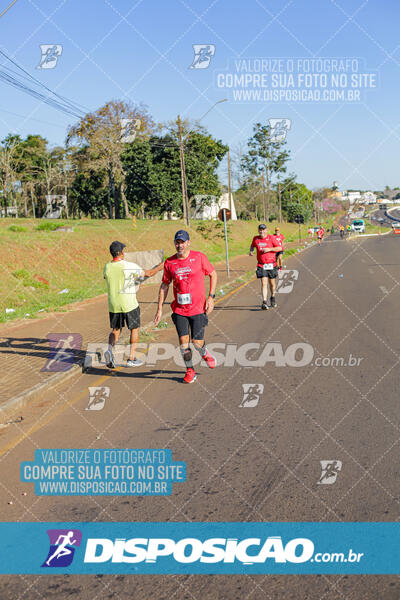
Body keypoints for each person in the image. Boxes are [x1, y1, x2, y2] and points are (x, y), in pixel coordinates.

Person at [154, 230, 217, 384]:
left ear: (188, 242)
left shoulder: (199, 257)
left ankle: (204, 351)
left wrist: (211, 297)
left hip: (198, 309)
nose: (179, 245)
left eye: (182, 242)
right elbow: (164, 285)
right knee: (184, 344)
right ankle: (190, 370)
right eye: (177, 242)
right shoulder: (170, 263)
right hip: (180, 310)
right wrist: (160, 308)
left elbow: (213, 274)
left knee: (197, 342)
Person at [103, 241, 163, 369]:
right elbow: (148, 273)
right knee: (134, 329)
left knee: (116, 330)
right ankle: (131, 358)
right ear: (121, 253)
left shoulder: (107, 267)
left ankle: (109, 350)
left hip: (114, 304)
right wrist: (159, 267)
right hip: (129, 303)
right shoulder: (128, 266)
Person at [249, 224, 282, 310]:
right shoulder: (255, 239)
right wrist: (251, 251)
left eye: (263, 230)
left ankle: (273, 297)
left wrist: (269, 249)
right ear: (258, 230)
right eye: (260, 230)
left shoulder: (271, 238)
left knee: (272, 284)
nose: (262, 231)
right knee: (264, 283)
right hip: (261, 264)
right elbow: (252, 245)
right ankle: (264, 302)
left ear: (266, 230)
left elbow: (279, 248)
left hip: (272, 264)